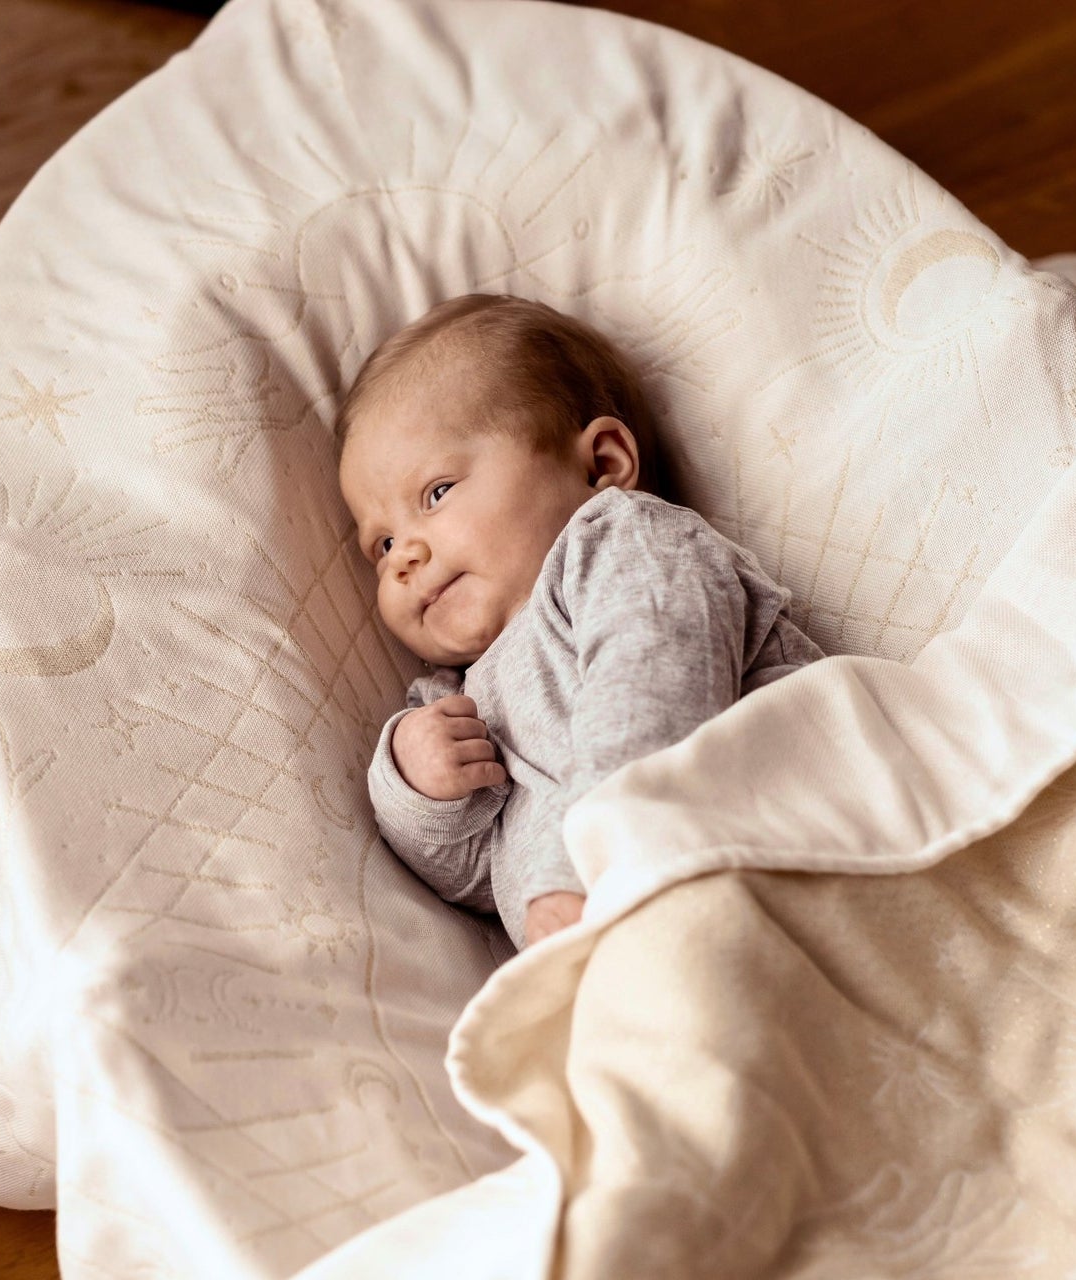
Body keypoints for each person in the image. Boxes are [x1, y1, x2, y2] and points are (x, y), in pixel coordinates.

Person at [337, 293, 823, 950]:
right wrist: (417, 787)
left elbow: (657, 687)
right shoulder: (457, 699)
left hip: (792, 835)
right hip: (651, 939)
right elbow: (480, 879)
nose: (405, 557)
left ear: (600, 465)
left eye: (436, 493)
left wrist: (587, 865)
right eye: (382, 543)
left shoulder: (621, 540)